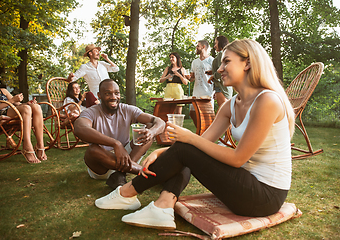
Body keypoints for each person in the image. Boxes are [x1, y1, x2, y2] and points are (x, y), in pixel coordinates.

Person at [93, 39, 295, 230]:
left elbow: (237, 158)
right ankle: (163, 206)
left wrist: (188, 138)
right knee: (186, 150)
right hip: (245, 184)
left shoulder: (267, 101)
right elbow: (201, 143)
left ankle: (127, 192)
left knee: (187, 147)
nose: (219, 69)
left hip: (265, 196)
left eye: (226, 62)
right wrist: (162, 151)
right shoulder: (232, 105)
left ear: (248, 63)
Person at [74, 79, 166, 189]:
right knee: (92, 150)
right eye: (108, 93)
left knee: (149, 127)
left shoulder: (127, 109)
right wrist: (115, 144)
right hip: (102, 165)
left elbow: (159, 121)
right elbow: (79, 128)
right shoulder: (90, 112)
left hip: (127, 157)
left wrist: (151, 132)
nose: (113, 97)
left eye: (116, 93)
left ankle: (120, 174)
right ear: (99, 95)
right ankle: (146, 173)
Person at [0, 70, 47, 163]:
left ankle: (40, 146)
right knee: (26, 109)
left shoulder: (3, 91)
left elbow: (18, 104)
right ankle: (27, 146)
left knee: (36, 107)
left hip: (11, 112)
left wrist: (27, 103)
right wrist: (11, 101)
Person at [188, 40, 214, 126]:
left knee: (208, 116)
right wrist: (188, 77)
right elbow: (192, 78)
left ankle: (208, 134)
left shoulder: (212, 60)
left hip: (208, 92)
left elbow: (216, 77)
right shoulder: (194, 62)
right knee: (192, 113)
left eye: (198, 46)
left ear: (203, 47)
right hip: (196, 93)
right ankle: (200, 130)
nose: (196, 47)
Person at [207, 35, 233, 107]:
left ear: (221, 43)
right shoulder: (227, 54)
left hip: (222, 88)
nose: (214, 46)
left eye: (216, 43)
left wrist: (213, 76)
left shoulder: (221, 54)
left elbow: (221, 71)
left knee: (223, 112)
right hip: (226, 87)